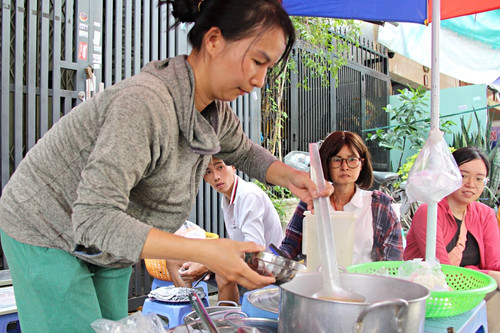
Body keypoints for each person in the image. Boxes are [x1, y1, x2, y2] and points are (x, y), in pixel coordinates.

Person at [0, 1, 333, 331]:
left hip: (108, 244)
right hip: (46, 225)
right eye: (257, 61)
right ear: (214, 40)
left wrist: (288, 175)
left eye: (267, 68)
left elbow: (244, 151)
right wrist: (208, 252)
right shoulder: (144, 104)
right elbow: (95, 217)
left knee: (110, 327)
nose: (260, 79)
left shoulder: (211, 110)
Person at [167, 157, 284, 304]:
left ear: (233, 167)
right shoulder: (228, 199)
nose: (216, 176)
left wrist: (208, 263)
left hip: (265, 265)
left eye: (220, 167)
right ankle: (193, 312)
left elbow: (253, 252)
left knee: (223, 272)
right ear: (205, 178)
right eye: (208, 172)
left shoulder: (248, 195)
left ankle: (226, 320)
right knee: (173, 259)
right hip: (247, 261)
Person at [279, 131, 403, 265]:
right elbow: (289, 248)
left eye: (352, 160)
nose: (345, 167)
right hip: (317, 282)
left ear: (362, 163)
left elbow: (393, 259)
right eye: (337, 160)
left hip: (365, 283)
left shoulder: (378, 205)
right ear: (326, 163)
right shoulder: (312, 202)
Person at [403, 146, 500, 286]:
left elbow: (494, 263)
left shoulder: (485, 214)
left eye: (479, 179)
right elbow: (440, 269)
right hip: (429, 291)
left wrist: (476, 272)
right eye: (463, 176)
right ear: (448, 175)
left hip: (473, 290)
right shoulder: (429, 212)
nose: (471, 184)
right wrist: (477, 272)